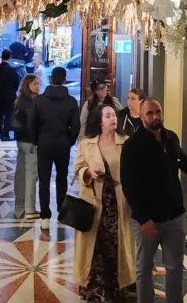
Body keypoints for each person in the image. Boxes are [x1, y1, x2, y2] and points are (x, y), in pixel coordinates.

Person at [120, 98, 187, 303]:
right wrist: (143, 218)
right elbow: (129, 185)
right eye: (150, 113)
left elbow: (186, 164)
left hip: (174, 216)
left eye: (158, 112)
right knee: (144, 269)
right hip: (147, 220)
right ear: (142, 116)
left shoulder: (171, 138)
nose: (155, 116)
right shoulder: (132, 145)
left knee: (175, 268)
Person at [73, 104, 136, 302]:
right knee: (95, 248)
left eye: (113, 115)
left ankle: (116, 287)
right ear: (100, 121)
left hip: (117, 204)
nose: (113, 118)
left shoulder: (125, 142)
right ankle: (93, 286)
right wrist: (88, 173)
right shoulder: (87, 144)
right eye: (108, 115)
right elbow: (78, 167)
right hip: (93, 203)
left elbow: (134, 171)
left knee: (116, 246)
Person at [28, 66, 80, 232]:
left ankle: (44, 216)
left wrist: (36, 140)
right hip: (63, 144)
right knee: (62, 178)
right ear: (64, 80)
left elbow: (31, 124)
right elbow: (76, 126)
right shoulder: (71, 102)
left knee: (44, 180)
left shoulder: (39, 100)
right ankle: (61, 211)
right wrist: (69, 141)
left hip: (44, 143)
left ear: (51, 80)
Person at [12, 73, 41, 218]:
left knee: (21, 172)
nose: (38, 86)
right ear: (27, 85)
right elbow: (32, 124)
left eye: (38, 83)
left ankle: (20, 203)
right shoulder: (31, 103)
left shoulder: (20, 100)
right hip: (30, 141)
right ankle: (30, 208)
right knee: (31, 174)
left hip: (20, 141)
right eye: (35, 83)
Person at [0, 49, 23, 140]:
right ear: (10, 57)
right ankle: (5, 135)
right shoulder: (12, 70)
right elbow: (17, 82)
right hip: (10, 96)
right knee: (8, 115)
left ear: (2, 56)